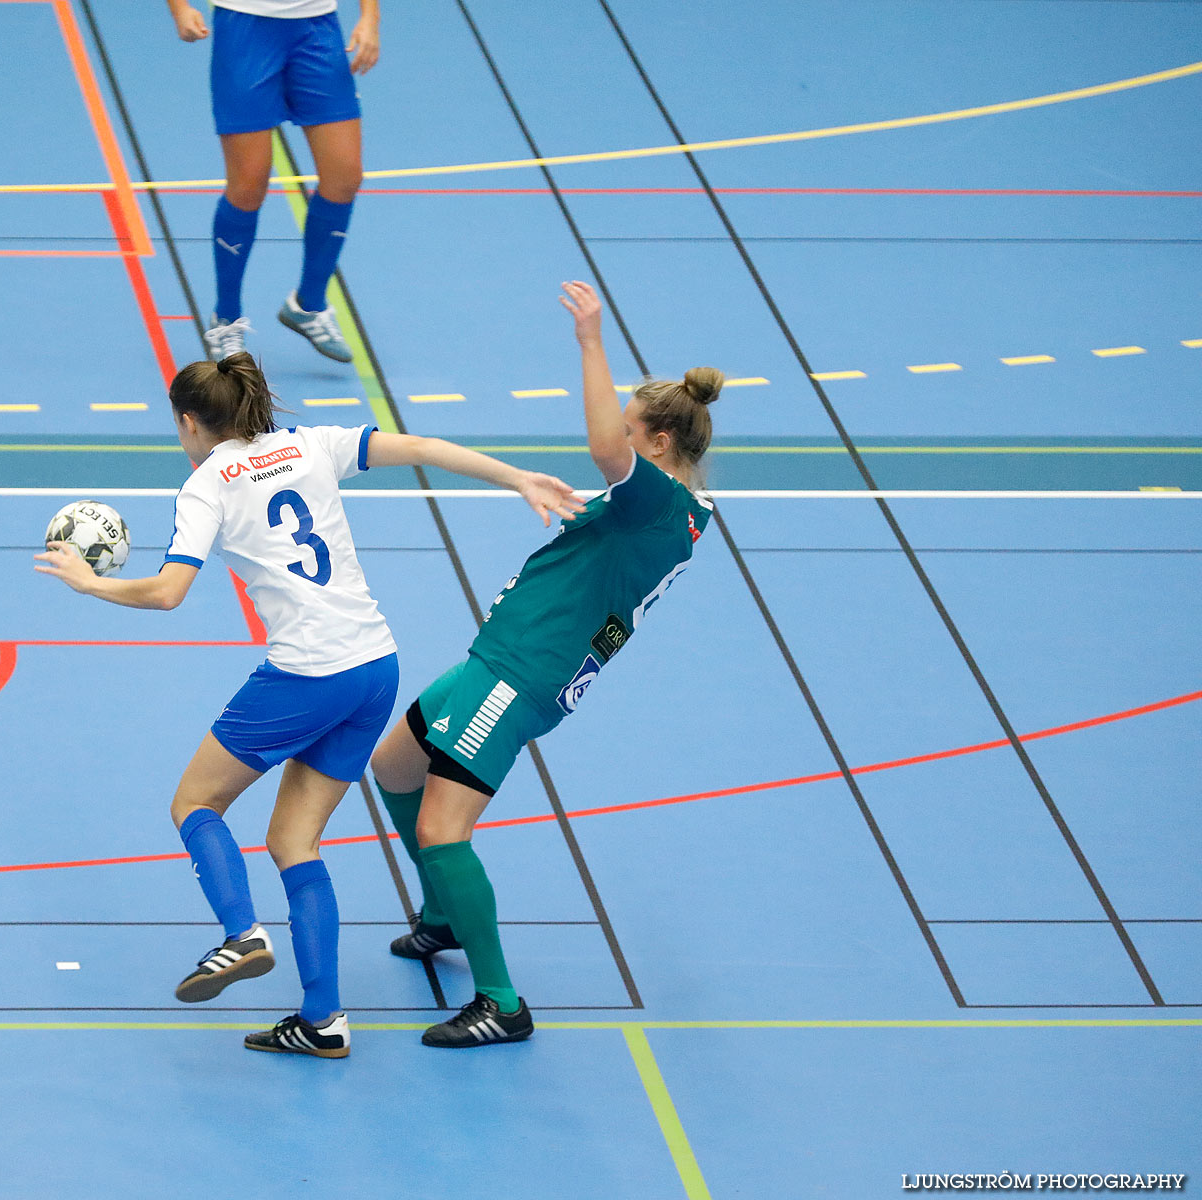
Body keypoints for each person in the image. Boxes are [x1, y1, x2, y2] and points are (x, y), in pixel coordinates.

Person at [36, 353, 578, 1057]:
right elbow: (420, 447)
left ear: (188, 422)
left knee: (195, 805)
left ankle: (240, 934)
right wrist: (515, 477)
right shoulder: (310, 444)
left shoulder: (206, 486)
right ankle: (322, 1021)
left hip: (307, 674)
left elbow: (168, 592)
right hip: (374, 668)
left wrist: (89, 584)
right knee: (294, 841)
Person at [368, 281, 722, 1048]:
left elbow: (605, 450)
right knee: (395, 765)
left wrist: (591, 341)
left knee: (440, 828)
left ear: (658, 445)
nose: (617, 442)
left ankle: (501, 1001)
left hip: (518, 676)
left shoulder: (658, 505)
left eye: (633, 431)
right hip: (496, 660)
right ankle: (443, 915)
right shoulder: (662, 510)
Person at [165, 0, 379, 363]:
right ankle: (226, 319)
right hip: (245, 28)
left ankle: (308, 305)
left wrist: (369, 17)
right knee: (248, 187)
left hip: (317, 28)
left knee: (344, 177)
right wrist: (180, 9)